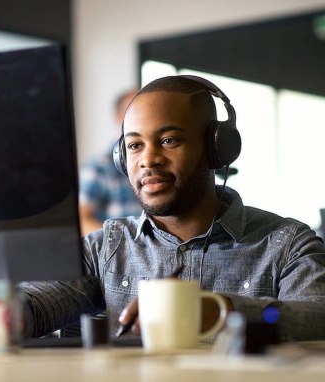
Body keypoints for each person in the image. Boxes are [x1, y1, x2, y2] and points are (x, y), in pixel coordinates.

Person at [21, 75, 325, 341]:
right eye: (135, 145)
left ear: (216, 149)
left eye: (168, 140)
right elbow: (35, 304)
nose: (148, 159)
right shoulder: (105, 249)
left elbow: (315, 318)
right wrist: (4, 314)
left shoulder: (287, 245)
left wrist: (222, 311)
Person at [78, 89, 141, 236]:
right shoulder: (98, 167)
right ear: (119, 117)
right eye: (135, 112)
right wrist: (127, 245)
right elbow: (82, 219)